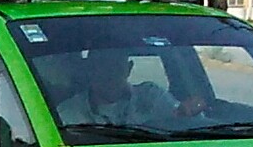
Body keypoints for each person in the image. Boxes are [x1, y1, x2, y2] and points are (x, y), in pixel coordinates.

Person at [54, 48, 184, 130]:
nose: (110, 74)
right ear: (90, 69)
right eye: (102, 67)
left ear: (128, 68)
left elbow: (185, 117)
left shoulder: (152, 96)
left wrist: (193, 107)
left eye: (116, 66)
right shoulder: (68, 114)